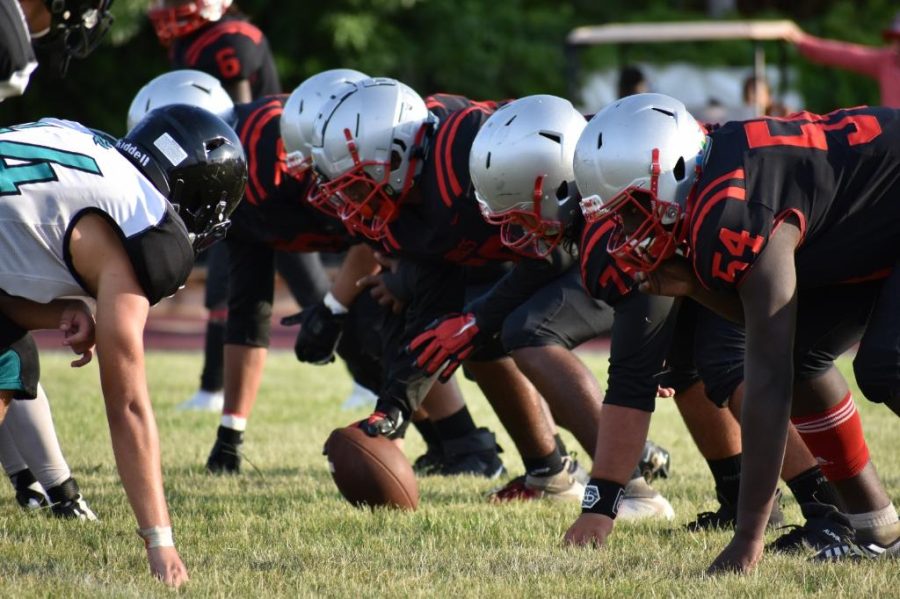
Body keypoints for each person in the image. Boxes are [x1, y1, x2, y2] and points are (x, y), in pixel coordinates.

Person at [459, 94, 844, 538]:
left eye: (522, 214)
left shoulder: (618, 221)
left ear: (561, 187)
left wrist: (599, 506)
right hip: (735, 229)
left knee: (725, 362)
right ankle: (740, 495)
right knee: (684, 363)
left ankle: (827, 505)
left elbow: (631, 380)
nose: (520, 233)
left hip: (756, 232)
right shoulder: (606, 196)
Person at [574, 92, 900, 571]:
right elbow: (776, 334)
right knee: (803, 353)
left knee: (886, 364)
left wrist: (748, 535)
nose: (624, 227)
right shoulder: (713, 180)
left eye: (629, 208)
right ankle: (878, 528)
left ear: (674, 173)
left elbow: (768, 381)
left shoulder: (735, 209)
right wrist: (695, 286)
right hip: (877, 219)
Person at [0, 105, 246, 586]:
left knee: (12, 359)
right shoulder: (142, 225)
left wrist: (54, 314)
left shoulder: (79, 139)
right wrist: (161, 541)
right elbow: (127, 405)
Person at [148, 0, 332, 411]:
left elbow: (239, 128)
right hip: (248, 181)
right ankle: (214, 390)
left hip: (262, 179)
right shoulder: (195, 41)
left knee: (273, 287)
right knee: (253, 288)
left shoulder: (228, 40)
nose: (163, 7)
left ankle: (364, 376)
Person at [0, 0, 115, 519]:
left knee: (9, 346)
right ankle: (54, 492)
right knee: (10, 357)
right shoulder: (10, 40)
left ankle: (38, 486)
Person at [786, 14, 900, 107]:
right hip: (891, 132)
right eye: (896, 39)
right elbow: (846, 54)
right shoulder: (887, 61)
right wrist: (802, 41)